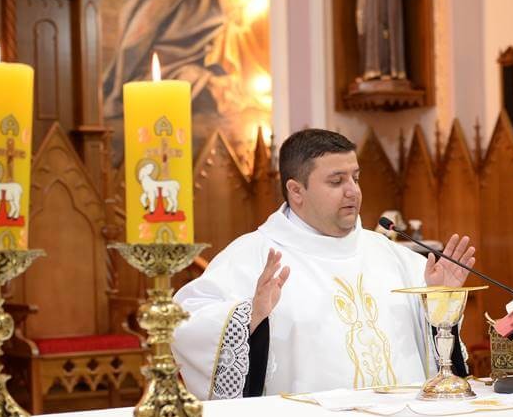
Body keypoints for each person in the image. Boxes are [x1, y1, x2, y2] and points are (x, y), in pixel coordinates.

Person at [171, 128, 476, 400]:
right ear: (296, 191)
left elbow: (435, 358)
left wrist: (439, 304)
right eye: (336, 181)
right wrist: (249, 317)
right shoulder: (252, 257)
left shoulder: (395, 256)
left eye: (355, 178)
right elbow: (184, 324)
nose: (352, 190)